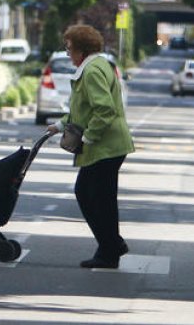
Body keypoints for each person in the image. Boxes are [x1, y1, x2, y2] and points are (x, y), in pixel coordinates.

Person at [46, 24, 135, 269]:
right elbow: (82, 110)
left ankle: (111, 247)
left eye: (69, 48)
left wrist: (88, 138)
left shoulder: (93, 70)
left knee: (90, 195)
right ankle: (110, 248)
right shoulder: (97, 66)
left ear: (81, 50)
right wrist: (60, 124)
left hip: (106, 145)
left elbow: (104, 109)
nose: (67, 53)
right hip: (108, 145)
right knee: (99, 198)